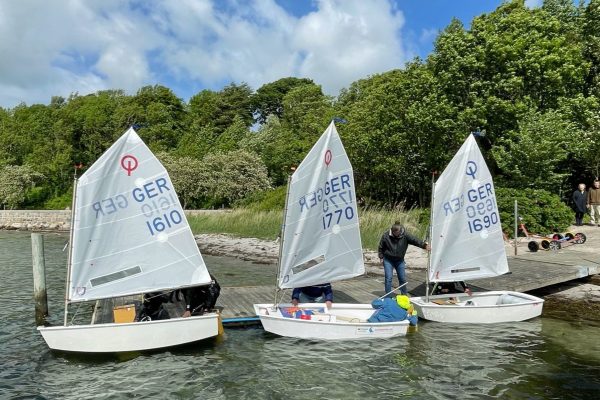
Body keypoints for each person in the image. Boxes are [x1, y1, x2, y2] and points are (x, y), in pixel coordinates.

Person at [378, 223, 430, 296]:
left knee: (402, 279)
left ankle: (404, 295)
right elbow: (381, 247)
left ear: (400, 230)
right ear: (392, 231)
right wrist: (381, 257)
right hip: (388, 260)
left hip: (400, 260)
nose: (398, 235)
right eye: (396, 234)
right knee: (388, 278)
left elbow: (415, 240)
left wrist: (424, 245)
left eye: (399, 233)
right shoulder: (386, 236)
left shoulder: (405, 235)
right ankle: (387, 296)